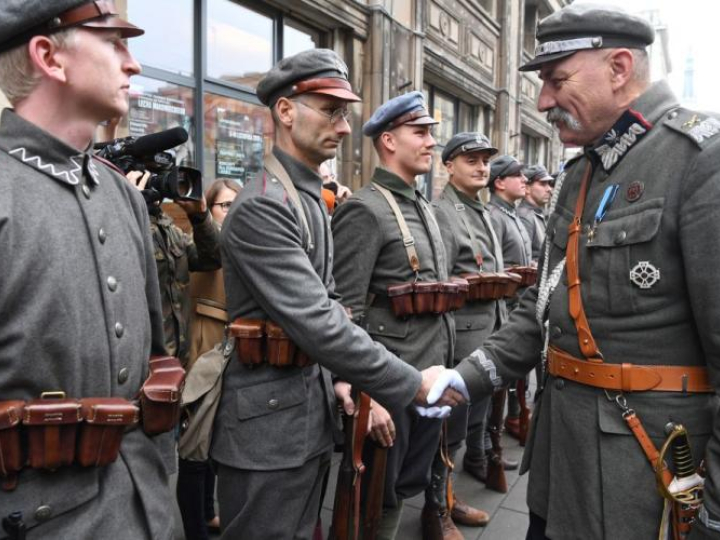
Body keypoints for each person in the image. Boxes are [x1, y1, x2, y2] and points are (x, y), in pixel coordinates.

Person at [442, 4, 720, 539]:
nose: (544, 100)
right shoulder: (580, 175)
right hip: (559, 467)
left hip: (643, 480)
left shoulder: (699, 160)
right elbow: (541, 309)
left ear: (619, 68)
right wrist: (462, 379)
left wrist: (715, 514)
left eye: (556, 79)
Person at [211, 50, 462, 540]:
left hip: (300, 416)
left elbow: (333, 308)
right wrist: (410, 382)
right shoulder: (266, 205)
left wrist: (343, 381)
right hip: (266, 433)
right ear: (286, 111)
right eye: (331, 111)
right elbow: (319, 321)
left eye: (344, 113)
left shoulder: (303, 195)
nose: (345, 127)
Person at [0, 2, 173, 538]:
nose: (134, 63)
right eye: (115, 42)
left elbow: (154, 365)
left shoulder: (120, 192)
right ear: (49, 55)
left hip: (147, 508)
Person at [331, 91, 456, 539]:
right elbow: (342, 312)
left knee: (404, 485)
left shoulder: (422, 206)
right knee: (373, 496)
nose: (430, 143)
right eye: (419, 133)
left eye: (430, 134)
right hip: (388, 381)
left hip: (428, 371)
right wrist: (367, 394)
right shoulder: (365, 209)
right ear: (388, 140)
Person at [426, 132, 507, 537]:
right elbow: (436, 276)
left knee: (472, 420)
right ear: (449, 165)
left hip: (490, 327)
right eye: (471, 159)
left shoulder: (482, 210)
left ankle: (450, 498)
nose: (481, 167)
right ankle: (437, 508)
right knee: (450, 426)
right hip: (461, 333)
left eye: (485, 160)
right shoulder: (442, 211)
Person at [176, 179, 240, 540]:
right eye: (224, 205)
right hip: (204, 349)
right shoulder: (198, 242)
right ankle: (194, 531)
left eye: (236, 205)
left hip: (231, 346)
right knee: (195, 447)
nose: (231, 212)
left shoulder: (242, 241)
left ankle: (208, 512)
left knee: (214, 443)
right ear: (209, 209)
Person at [517, 165, 554, 262]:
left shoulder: (536, 213)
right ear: (527, 188)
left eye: (549, 184)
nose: (549, 189)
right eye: (543, 184)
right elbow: (525, 259)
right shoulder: (524, 216)